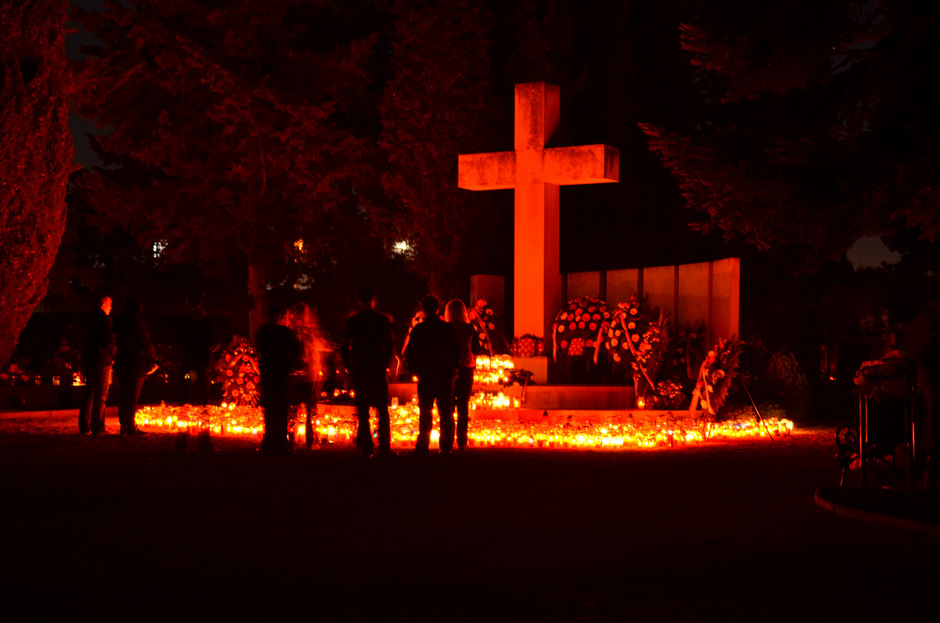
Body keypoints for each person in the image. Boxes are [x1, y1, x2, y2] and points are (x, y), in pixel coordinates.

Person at [340, 287, 395, 459]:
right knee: (382, 409)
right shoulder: (382, 320)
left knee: (363, 410)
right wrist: (385, 362)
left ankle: (366, 447)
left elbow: (344, 344)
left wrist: (348, 364)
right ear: (373, 300)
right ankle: (384, 447)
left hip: (360, 366)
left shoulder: (353, 321)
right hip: (376, 366)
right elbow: (389, 344)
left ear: (360, 302)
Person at [404, 295, 460, 456]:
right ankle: (446, 446)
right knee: (446, 412)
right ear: (437, 309)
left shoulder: (419, 330)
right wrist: (453, 370)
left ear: (423, 310)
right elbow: (456, 351)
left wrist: (415, 370)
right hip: (444, 375)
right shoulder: (447, 329)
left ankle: (423, 446)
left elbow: (410, 353)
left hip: (426, 375)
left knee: (426, 412)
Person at [255, 305, 303, 454]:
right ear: (281, 317)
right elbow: (297, 348)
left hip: (268, 371)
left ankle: (269, 442)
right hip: (281, 372)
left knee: (269, 409)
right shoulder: (284, 331)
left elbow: (259, 348)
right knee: (281, 408)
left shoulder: (262, 331)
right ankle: (281, 443)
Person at [287, 302, 332, 449]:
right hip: (302, 374)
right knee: (300, 408)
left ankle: (303, 439)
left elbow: (322, 346)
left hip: (307, 373)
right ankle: (297, 439)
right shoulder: (296, 331)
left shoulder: (307, 331)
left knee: (304, 408)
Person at [114, 299, 158, 436]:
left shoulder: (119, 323)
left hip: (122, 361)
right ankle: (131, 426)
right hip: (135, 362)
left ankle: (124, 425)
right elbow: (146, 341)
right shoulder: (137, 322)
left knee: (124, 394)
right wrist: (154, 357)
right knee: (133, 396)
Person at [78, 294, 116, 435]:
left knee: (90, 393)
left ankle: (84, 425)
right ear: (102, 304)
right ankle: (98, 426)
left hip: (89, 360)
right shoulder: (105, 320)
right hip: (101, 361)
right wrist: (112, 355)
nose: (111, 308)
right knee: (101, 395)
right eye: (109, 304)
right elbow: (108, 341)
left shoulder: (89, 320)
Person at [446, 298, 480, 451]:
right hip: (466, 368)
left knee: (448, 406)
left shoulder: (445, 328)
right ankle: (462, 440)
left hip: (448, 369)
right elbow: (476, 349)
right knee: (463, 406)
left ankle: (447, 438)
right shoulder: (469, 329)